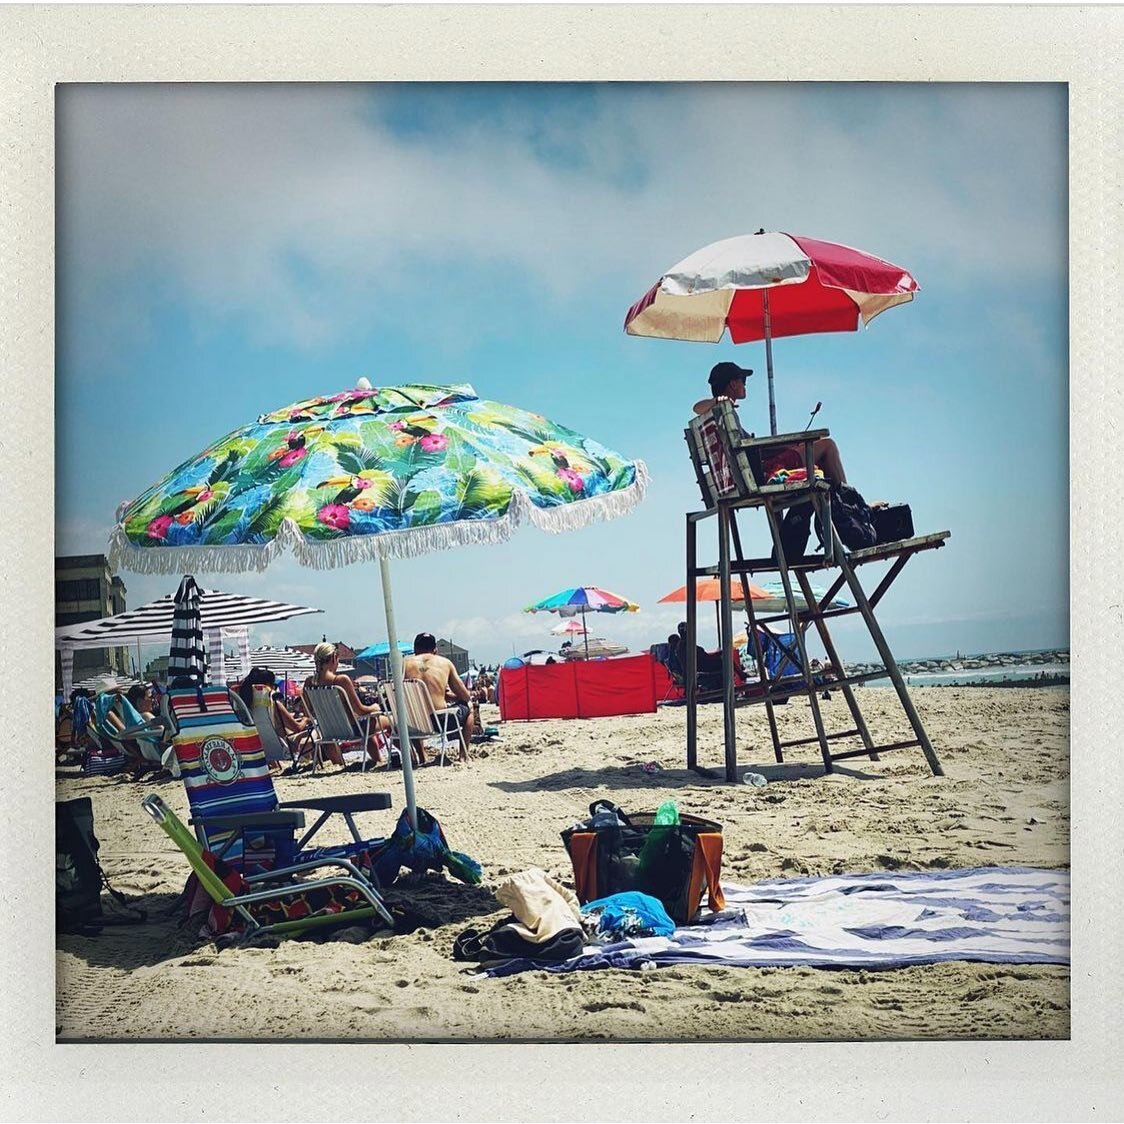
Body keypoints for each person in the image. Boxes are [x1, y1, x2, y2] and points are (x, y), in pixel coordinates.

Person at [693, 361, 855, 488]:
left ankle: (829, 513)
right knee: (828, 446)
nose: (745, 384)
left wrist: (791, 444)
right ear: (733, 384)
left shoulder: (718, 418)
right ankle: (849, 504)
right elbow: (696, 407)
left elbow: (755, 449)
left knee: (814, 454)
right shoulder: (723, 412)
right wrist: (717, 401)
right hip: (763, 473)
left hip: (745, 475)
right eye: (743, 380)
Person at [303, 642, 392, 767]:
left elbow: (307, 713)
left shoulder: (309, 683)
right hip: (352, 730)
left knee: (367, 724)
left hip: (327, 732)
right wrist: (375, 707)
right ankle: (410, 757)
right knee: (392, 721)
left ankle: (346, 763)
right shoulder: (341, 680)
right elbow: (361, 710)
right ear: (334, 657)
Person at [402, 632, 475, 763]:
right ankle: (463, 755)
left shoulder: (404, 664)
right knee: (469, 707)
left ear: (414, 649)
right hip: (440, 722)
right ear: (435, 649)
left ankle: (422, 756)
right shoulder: (445, 663)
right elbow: (465, 695)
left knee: (410, 713)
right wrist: (448, 695)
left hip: (410, 724)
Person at [238, 666, 313, 773]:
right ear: (268, 685)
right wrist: (306, 719)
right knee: (315, 734)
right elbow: (298, 728)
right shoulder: (273, 702)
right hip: (283, 750)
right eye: (273, 685)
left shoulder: (246, 704)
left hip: (258, 750)